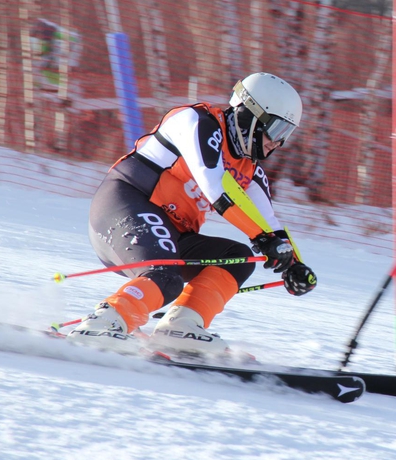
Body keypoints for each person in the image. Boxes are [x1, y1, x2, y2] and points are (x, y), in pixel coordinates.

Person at [67, 72, 317, 355]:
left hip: (172, 233)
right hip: (126, 206)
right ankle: (104, 322)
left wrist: (294, 264)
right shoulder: (199, 123)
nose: (278, 142)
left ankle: (181, 327)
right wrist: (263, 239)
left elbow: (270, 224)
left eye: (286, 134)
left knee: (237, 260)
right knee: (166, 275)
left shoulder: (250, 171)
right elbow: (214, 186)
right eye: (276, 130)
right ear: (250, 115)